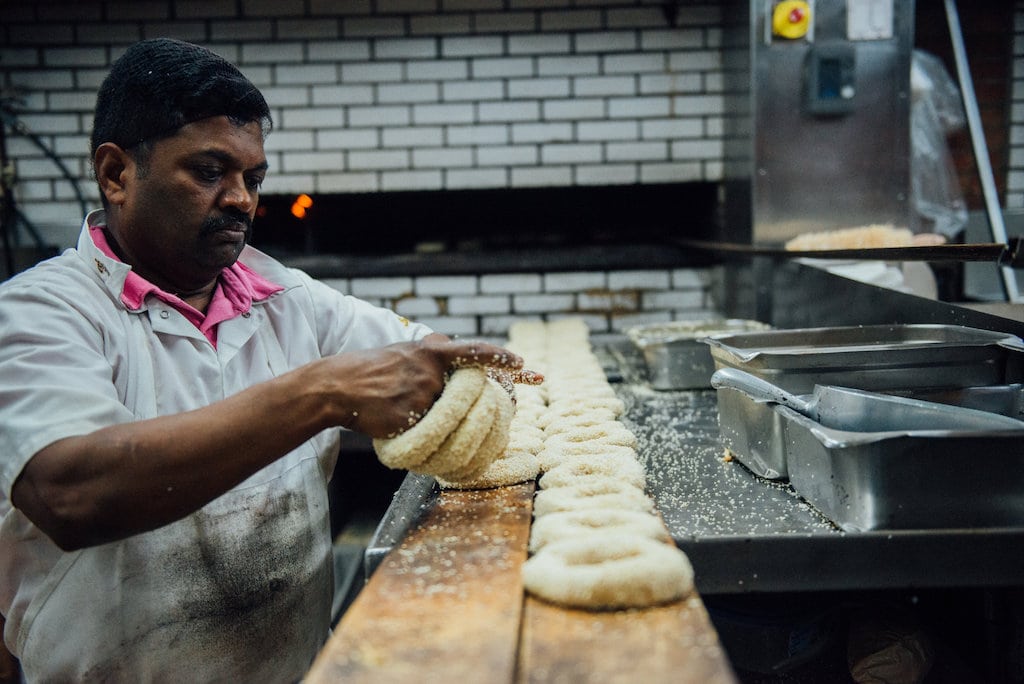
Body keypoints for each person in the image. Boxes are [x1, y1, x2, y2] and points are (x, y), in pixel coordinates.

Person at [0, 38, 534, 682]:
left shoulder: (286, 299)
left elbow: (425, 360)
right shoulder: (40, 312)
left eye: (253, 179)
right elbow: (71, 492)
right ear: (117, 174)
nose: (241, 200)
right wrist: (320, 394)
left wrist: (492, 381)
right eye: (208, 172)